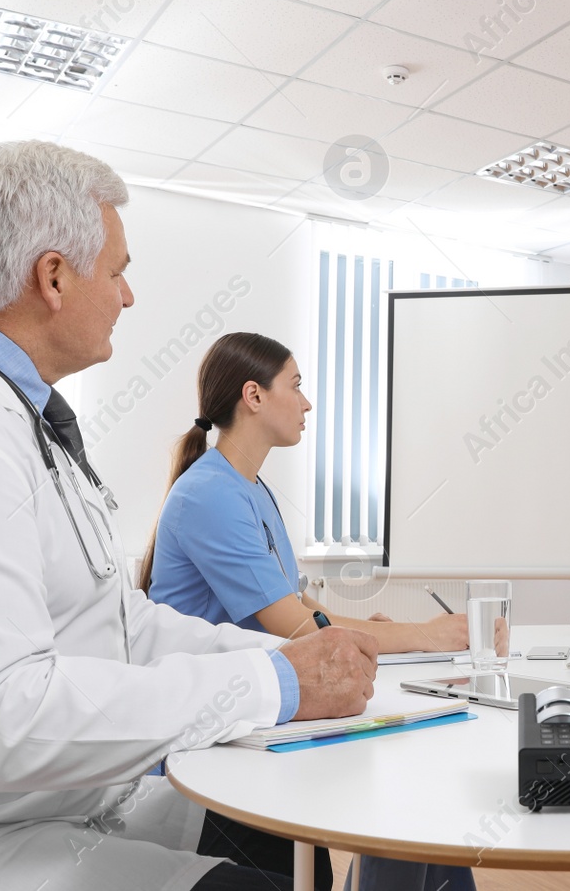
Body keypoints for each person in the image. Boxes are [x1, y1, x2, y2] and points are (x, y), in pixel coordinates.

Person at [0, 141, 377, 891]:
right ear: (52, 276)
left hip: (7, 812)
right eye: (117, 271)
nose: (128, 295)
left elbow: (122, 626)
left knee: (262, 823)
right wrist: (271, 684)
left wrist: (280, 668)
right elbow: (1, 722)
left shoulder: (16, 421)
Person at [142, 330, 474, 891]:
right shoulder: (211, 495)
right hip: (219, 742)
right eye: (295, 386)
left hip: (263, 720)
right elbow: (298, 630)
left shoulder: (249, 486)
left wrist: (367, 630)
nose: (307, 402)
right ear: (253, 396)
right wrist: (430, 636)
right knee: (386, 808)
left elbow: (299, 605)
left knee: (414, 807)